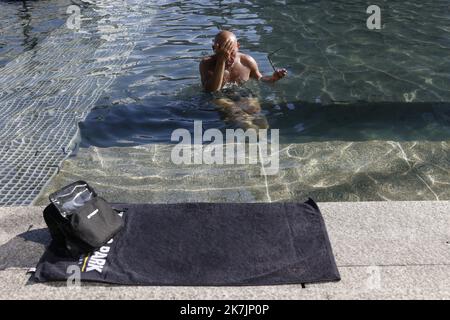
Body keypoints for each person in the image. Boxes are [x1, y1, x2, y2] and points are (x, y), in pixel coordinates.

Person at [199, 30, 287, 129]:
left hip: (242, 93)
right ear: (214, 49)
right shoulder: (206, 63)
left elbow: (260, 79)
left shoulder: (246, 61)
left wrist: (273, 78)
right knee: (240, 117)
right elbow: (212, 90)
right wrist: (221, 61)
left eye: (232, 53)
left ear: (238, 47)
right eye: (224, 54)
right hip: (218, 97)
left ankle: (260, 138)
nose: (228, 58)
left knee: (261, 122)